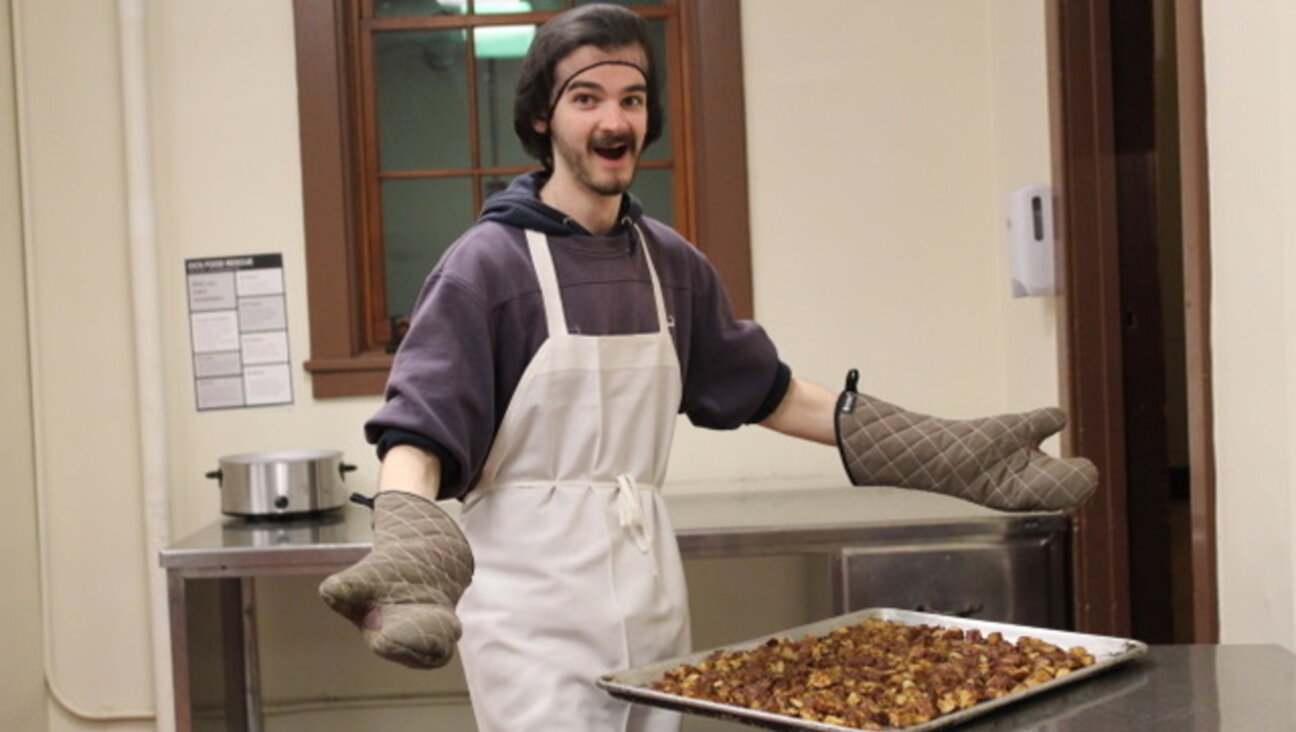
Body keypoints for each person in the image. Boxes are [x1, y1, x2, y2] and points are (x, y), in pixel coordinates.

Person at [318, 4, 1098, 731]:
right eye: (586, 98)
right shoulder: (486, 266)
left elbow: (772, 393)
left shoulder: (670, 264)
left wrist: (946, 453)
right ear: (540, 117)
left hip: (650, 588)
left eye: (633, 98)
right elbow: (420, 429)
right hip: (531, 609)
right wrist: (412, 552)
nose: (614, 119)